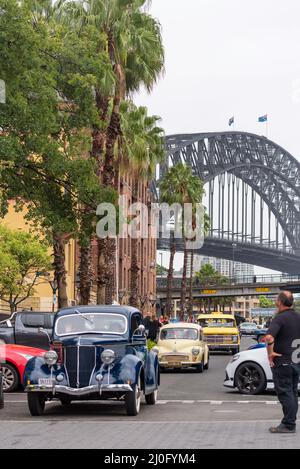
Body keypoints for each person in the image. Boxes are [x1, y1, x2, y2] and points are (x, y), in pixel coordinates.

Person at [265, 291, 300, 434]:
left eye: (276, 299)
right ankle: (290, 422)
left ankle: (288, 424)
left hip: (283, 363)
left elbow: (269, 337)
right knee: (292, 393)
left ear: (280, 302)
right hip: (296, 362)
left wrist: (270, 353)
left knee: (285, 394)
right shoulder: (298, 317)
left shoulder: (279, 319)